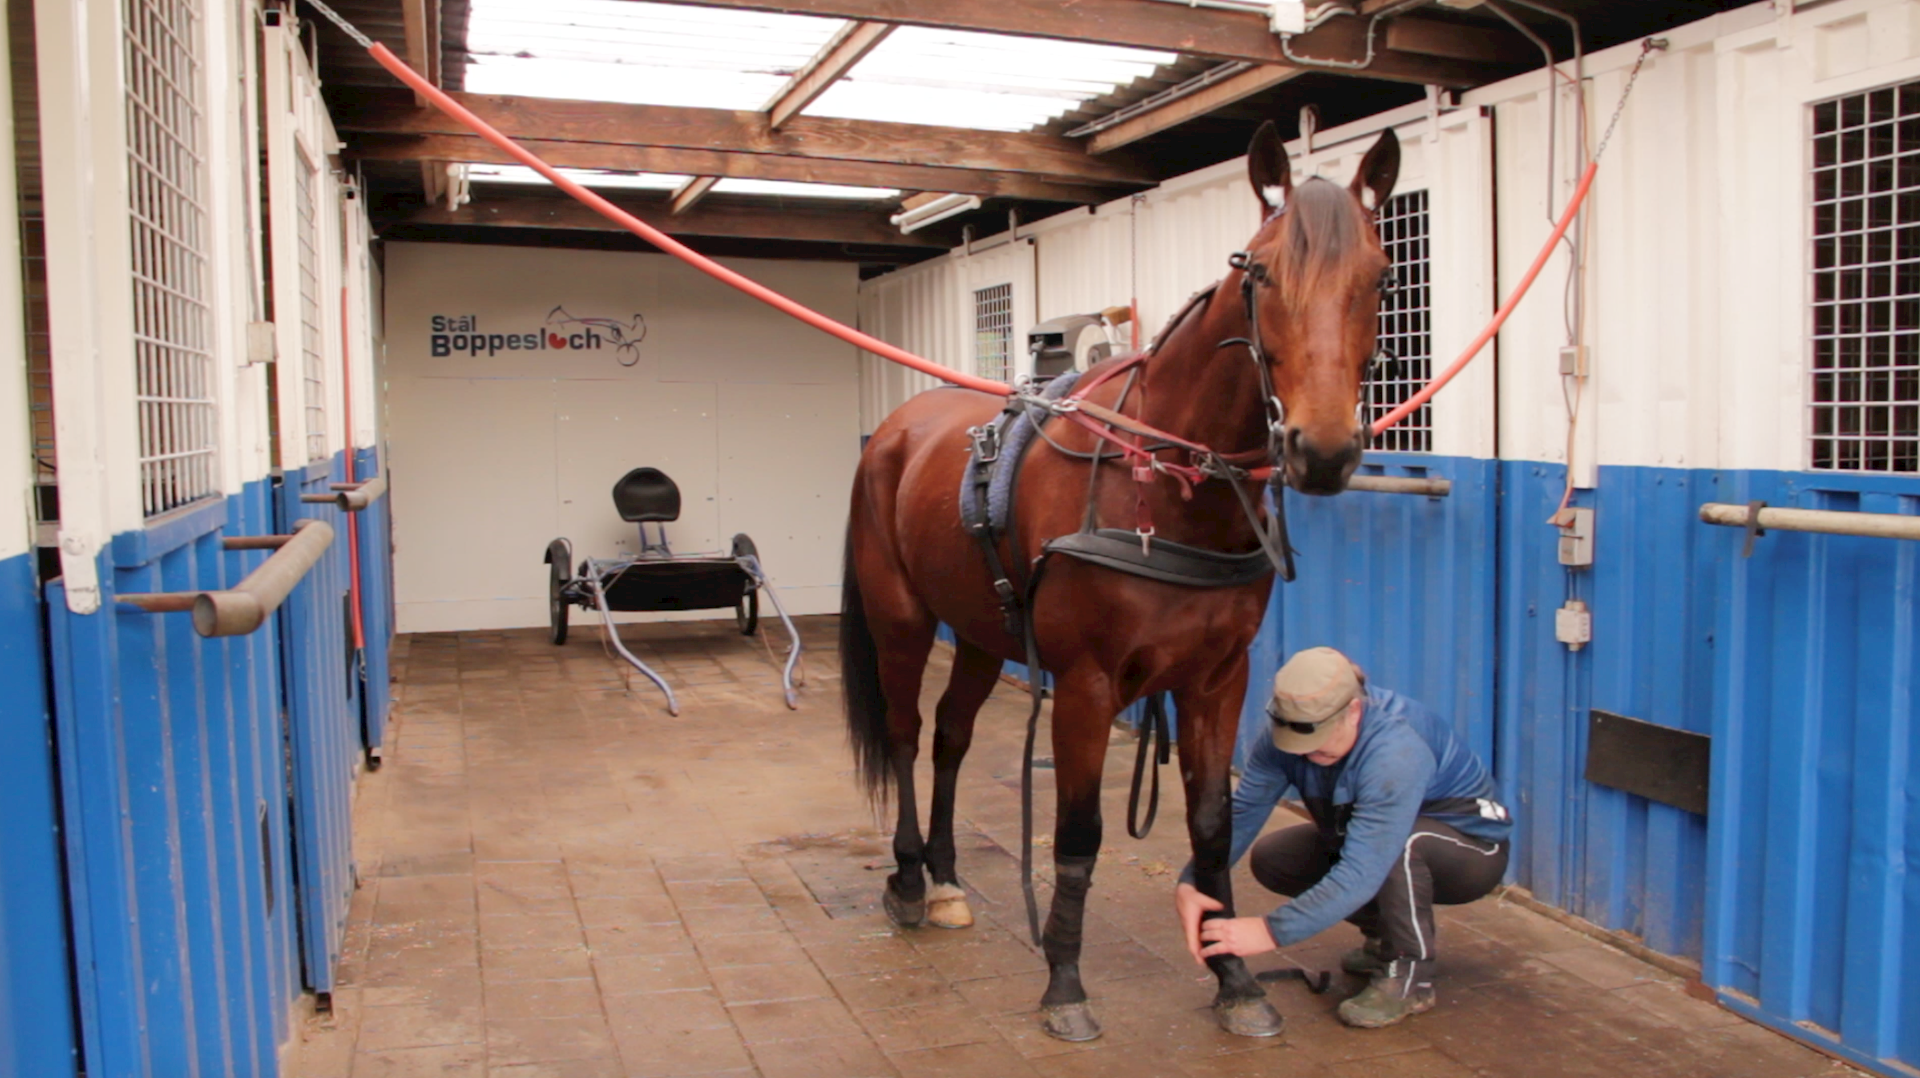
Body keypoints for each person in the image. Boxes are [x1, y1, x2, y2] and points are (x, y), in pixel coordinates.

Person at [1173, 646, 1513, 1028]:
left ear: (1353, 710)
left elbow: (1364, 868)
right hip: (1381, 837)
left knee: (1396, 848)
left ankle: (1410, 974)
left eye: (1318, 736)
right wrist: (1193, 880)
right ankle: (1382, 940)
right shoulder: (1286, 734)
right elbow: (1241, 815)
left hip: (1469, 851)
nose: (1307, 750)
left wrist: (1270, 931)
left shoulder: (1396, 752)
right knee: (1275, 858)